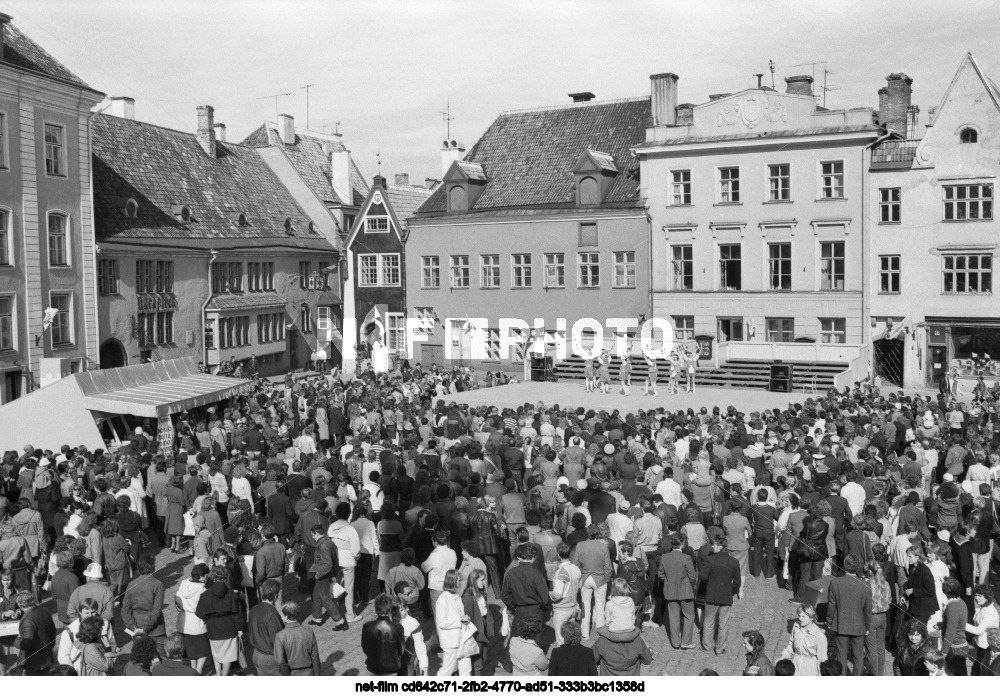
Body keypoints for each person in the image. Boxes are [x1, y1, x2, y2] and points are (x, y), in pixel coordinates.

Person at [195, 565, 245, 677]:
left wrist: (207, 619)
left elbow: (198, 612)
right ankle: (224, 676)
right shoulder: (232, 594)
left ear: (212, 577)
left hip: (212, 628)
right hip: (229, 627)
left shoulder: (205, 595)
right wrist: (240, 628)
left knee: (216, 654)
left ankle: (218, 674)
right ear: (225, 577)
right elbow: (237, 614)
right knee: (228, 655)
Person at [827, 553, 872, 675]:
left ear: (845, 566)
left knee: (841, 654)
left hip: (841, 623)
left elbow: (831, 605)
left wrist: (829, 621)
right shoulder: (865, 585)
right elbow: (868, 609)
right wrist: (868, 626)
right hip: (859, 625)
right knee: (858, 656)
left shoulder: (835, 583)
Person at [699, 533, 740, 656]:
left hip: (711, 595)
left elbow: (703, 577)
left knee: (708, 621)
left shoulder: (710, 560)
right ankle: (720, 649)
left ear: (719, 546)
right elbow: (737, 582)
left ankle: (707, 646)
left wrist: (710, 585)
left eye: (715, 545)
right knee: (724, 623)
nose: (713, 547)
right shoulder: (734, 561)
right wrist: (731, 591)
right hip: (726, 596)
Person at [572, 524, 612, 640]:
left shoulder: (580, 545)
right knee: (600, 607)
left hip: (585, 578)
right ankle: (600, 633)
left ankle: (585, 634)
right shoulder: (603, 546)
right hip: (600, 579)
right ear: (598, 533)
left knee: (586, 607)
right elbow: (608, 567)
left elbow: (575, 564)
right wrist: (606, 579)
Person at [501, 543, 550, 637]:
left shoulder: (511, 573)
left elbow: (504, 595)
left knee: (518, 636)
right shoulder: (537, 574)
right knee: (534, 638)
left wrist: (512, 606)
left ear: (519, 558)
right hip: (535, 610)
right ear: (534, 557)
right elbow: (544, 597)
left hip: (519, 609)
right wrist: (542, 607)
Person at [659, 533, 697, 649]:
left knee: (673, 617)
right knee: (689, 616)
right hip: (685, 591)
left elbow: (660, 574)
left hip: (670, 591)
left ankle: (675, 643)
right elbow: (692, 576)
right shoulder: (686, 558)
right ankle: (686, 641)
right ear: (682, 543)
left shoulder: (664, 557)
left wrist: (668, 581)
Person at [121, 555, 166, 655]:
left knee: (142, 658)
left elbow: (125, 610)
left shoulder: (131, 585)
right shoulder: (157, 584)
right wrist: (144, 628)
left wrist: (133, 627)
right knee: (161, 657)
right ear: (153, 567)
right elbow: (156, 610)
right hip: (155, 630)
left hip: (137, 628)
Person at [307, 525, 348, 631]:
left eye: (313, 535)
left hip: (324, 575)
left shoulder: (323, 545)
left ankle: (340, 622)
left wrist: (318, 574)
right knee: (316, 595)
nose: (312, 537)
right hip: (328, 573)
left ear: (317, 533)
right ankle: (317, 618)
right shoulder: (329, 541)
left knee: (326, 599)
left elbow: (327, 564)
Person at [174, 563, 211, 674]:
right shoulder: (203, 590)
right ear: (202, 576)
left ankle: (193, 669)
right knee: (203, 651)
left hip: (184, 623)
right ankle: (197, 672)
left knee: (191, 651)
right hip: (197, 625)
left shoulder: (184, 583)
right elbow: (202, 609)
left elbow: (177, 599)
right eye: (206, 576)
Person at [434, 569, 471, 676]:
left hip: (462, 638)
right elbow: (442, 622)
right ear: (452, 581)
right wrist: (460, 619)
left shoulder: (457, 596)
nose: (460, 582)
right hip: (450, 641)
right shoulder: (443, 599)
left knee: (466, 668)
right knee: (447, 670)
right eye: (458, 580)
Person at [360, 593, 405, 676]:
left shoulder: (367, 626)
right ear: (391, 610)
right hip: (391, 669)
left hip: (372, 667)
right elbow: (401, 650)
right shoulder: (397, 627)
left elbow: (365, 647)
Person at [247, 578, 284, 676]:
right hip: (269, 658)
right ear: (275, 595)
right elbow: (276, 640)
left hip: (256, 653)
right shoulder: (272, 614)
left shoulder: (254, 609)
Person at [273, 601, 321, 676]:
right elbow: (315, 656)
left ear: (286, 616)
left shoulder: (280, 636)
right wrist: (317, 675)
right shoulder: (308, 631)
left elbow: (279, 661)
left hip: (291, 672)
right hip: (308, 672)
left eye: (282, 614)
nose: (281, 616)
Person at [14, 591, 55, 675]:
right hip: (47, 657)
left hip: (33, 662)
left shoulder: (27, 620)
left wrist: (18, 639)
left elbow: (26, 644)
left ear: (19, 604)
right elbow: (53, 632)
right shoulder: (44, 611)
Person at [780, 603, 826, 676]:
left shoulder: (819, 636)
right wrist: (784, 656)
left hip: (810, 670)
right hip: (795, 666)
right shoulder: (796, 627)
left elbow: (822, 659)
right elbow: (791, 644)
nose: (800, 619)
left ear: (811, 618)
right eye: (799, 616)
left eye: (803, 617)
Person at [966, 584, 1000, 675]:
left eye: (980, 596)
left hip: (986, 646)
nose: (976, 598)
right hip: (981, 644)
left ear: (987, 596)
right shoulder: (983, 608)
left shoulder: (989, 613)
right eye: (975, 595)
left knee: (978, 671)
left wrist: (962, 624)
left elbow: (979, 630)